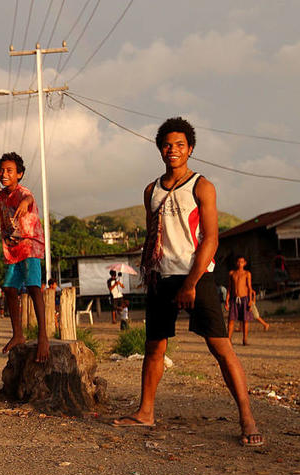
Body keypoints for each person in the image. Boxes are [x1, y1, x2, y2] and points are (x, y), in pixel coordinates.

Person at [113, 117, 262, 447]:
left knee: (220, 347)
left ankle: (247, 418)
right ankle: (145, 412)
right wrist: (151, 275)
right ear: (160, 149)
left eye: (180, 145)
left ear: (190, 149)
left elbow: (210, 239)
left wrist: (191, 284)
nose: (173, 150)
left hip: (197, 277)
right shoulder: (151, 190)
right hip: (161, 278)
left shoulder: (202, 186)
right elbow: (154, 237)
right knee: (154, 347)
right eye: (167, 145)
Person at [0, 152, 49, 362]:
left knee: (34, 288)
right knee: (9, 289)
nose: (3, 174)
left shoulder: (21, 192)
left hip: (29, 245)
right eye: (1, 170)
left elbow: (28, 197)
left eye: (9, 171)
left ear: (19, 174)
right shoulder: (1, 195)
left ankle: (43, 337)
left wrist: (25, 203)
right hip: (13, 248)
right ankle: (18, 334)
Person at [225, 256, 253, 346]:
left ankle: (245, 340)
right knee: (231, 320)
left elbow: (249, 287)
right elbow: (229, 288)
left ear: (245, 263)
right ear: (236, 263)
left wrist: (250, 300)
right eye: (238, 262)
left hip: (244, 298)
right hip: (234, 299)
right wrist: (227, 300)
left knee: (245, 320)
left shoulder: (247, 274)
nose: (240, 263)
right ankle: (228, 339)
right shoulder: (232, 273)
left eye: (242, 262)